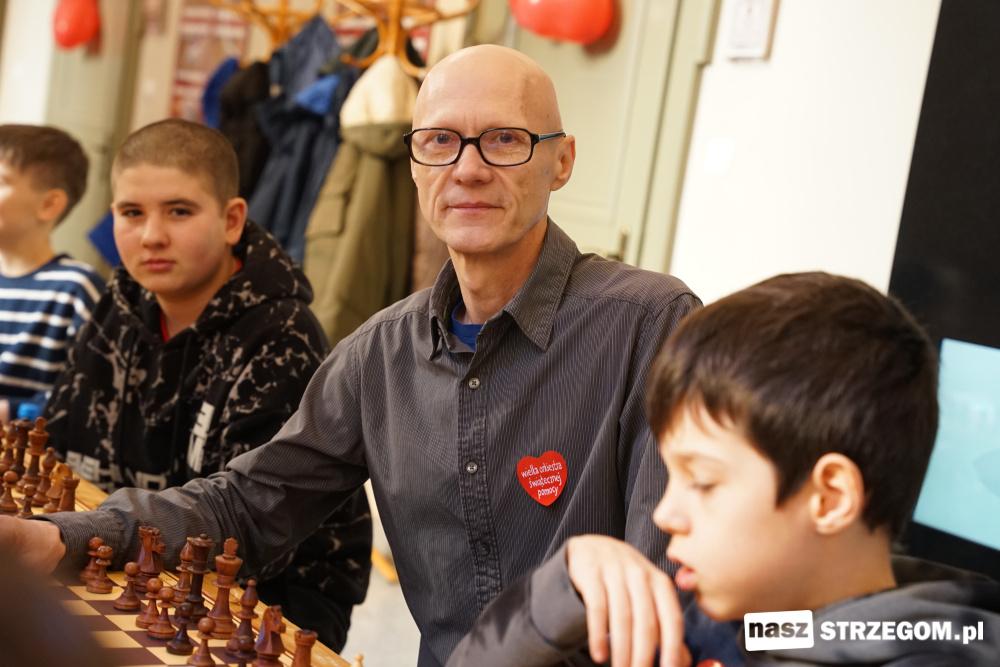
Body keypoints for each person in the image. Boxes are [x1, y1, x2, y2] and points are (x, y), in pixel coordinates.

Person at [1, 46, 704, 666]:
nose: (468, 169)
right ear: (414, 163)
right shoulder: (381, 352)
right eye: (440, 141)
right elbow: (250, 503)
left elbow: (676, 580)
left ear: (562, 161)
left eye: (504, 139)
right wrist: (61, 537)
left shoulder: (649, 322)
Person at [445, 272, 1000, 667]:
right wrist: (559, 593)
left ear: (829, 498)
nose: (665, 514)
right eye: (673, 477)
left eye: (705, 482)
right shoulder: (730, 624)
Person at [39, 119, 372, 652]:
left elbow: (248, 531)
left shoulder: (282, 336)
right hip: (125, 566)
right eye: (131, 213)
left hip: (260, 608)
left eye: (179, 211)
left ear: (232, 219)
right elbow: (58, 449)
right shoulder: (115, 307)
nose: (152, 236)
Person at [0, 124, 105, 421]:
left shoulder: (76, 289)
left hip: (23, 445)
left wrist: (11, 411)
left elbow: (91, 393)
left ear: (49, 205)